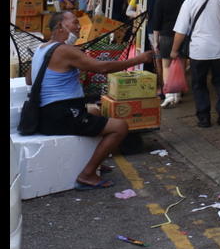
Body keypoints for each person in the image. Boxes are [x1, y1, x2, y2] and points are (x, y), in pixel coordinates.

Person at [33, 11, 157, 189]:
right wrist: (138, 59)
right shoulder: (64, 50)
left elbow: (31, 79)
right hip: (61, 115)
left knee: (95, 111)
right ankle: (87, 174)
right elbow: (102, 67)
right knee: (120, 127)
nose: (78, 27)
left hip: (47, 113)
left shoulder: (42, 49)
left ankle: (96, 164)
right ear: (60, 26)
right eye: (74, 23)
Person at [171, 0, 220, 128]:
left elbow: (180, 31)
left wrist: (174, 50)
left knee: (199, 85)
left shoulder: (189, 2)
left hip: (199, 51)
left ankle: (204, 119)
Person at [151, 0, 187, 107]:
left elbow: (156, 23)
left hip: (166, 36)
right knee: (181, 64)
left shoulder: (160, 0)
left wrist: (156, 41)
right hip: (182, 35)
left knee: (166, 66)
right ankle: (178, 93)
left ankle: (169, 94)